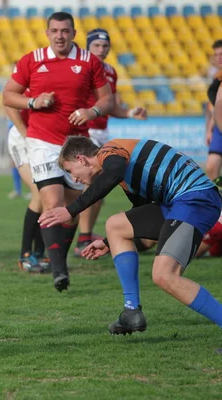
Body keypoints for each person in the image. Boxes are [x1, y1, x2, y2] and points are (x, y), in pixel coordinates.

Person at [39, 136, 222, 336]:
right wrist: (110, 241)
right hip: (178, 203)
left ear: (82, 159)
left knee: (165, 276)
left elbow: (114, 172)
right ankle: (131, 311)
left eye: (70, 171)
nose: (73, 179)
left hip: (194, 200)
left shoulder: (110, 151)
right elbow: (142, 210)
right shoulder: (124, 174)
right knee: (116, 226)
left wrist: (71, 210)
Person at [2, 11, 114, 291]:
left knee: (75, 208)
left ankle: (56, 258)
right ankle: (59, 271)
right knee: (51, 202)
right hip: (41, 141)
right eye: (54, 31)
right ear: (47, 33)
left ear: (74, 34)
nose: (60, 36)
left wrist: (92, 110)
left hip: (76, 143)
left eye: (65, 31)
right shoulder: (33, 59)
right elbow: (7, 96)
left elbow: (107, 99)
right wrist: (32, 102)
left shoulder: (89, 61)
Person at [74, 28, 148, 255]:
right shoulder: (80, 67)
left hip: (102, 132)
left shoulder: (110, 71)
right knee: (94, 186)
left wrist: (128, 113)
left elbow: (109, 105)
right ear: (88, 46)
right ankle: (83, 238)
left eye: (105, 46)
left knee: (100, 190)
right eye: (96, 45)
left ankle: (85, 235)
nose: (101, 49)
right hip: (85, 133)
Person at [5, 103, 48, 273]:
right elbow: (9, 103)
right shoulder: (30, 78)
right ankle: (25, 254)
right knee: (39, 193)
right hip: (23, 138)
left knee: (48, 196)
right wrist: (25, 132)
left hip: (44, 138)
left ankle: (39, 252)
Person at [205, 40, 222, 180]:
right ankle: (217, 201)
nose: (219, 58)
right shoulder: (217, 78)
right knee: (211, 167)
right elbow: (214, 107)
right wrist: (209, 129)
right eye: (216, 55)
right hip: (219, 128)